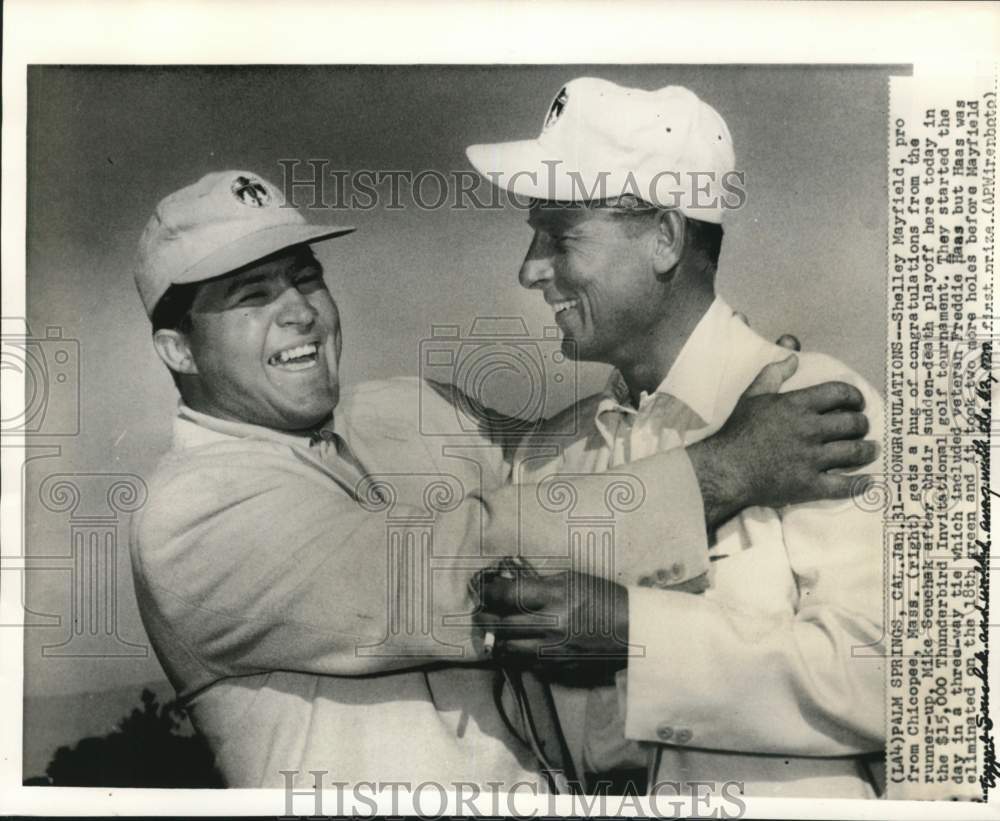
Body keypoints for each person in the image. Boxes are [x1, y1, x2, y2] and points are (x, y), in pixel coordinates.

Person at [128, 168, 877, 789]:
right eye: (252, 296)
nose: (299, 312)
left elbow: (567, 459)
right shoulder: (189, 516)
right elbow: (445, 562)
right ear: (179, 349)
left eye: (305, 278)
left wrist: (714, 388)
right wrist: (727, 465)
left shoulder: (405, 410)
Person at [470, 77, 885, 798]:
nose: (530, 269)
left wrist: (635, 631)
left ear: (664, 237)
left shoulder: (819, 407)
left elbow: (891, 675)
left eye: (561, 236)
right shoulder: (554, 452)